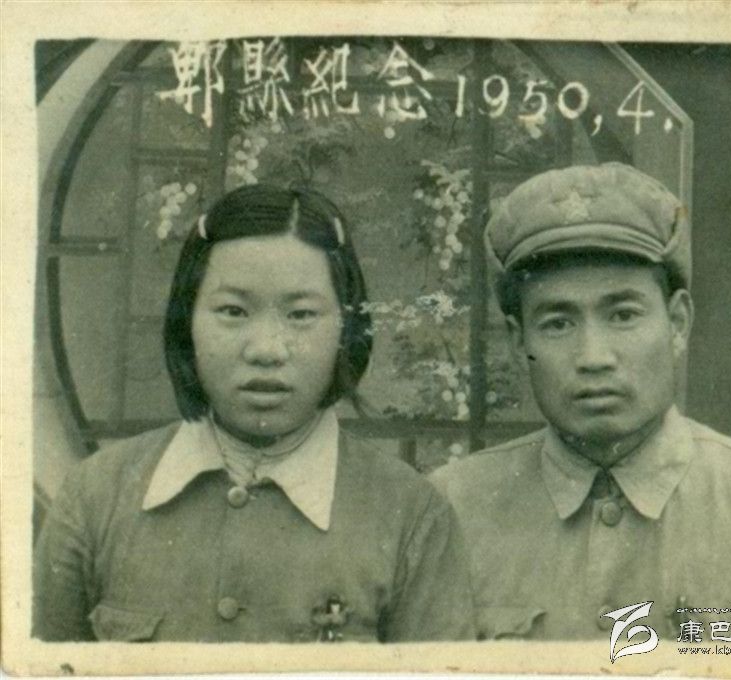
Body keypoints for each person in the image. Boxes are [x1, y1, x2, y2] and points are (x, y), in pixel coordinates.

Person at [34, 184, 474, 642]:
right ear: (187, 321)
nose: (266, 350)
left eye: (301, 315)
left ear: (346, 329)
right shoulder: (95, 498)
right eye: (233, 311)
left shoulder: (410, 516)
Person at [430, 163, 731, 642]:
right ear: (517, 341)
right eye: (557, 323)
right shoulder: (447, 513)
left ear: (677, 322)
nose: (594, 357)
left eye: (623, 315)